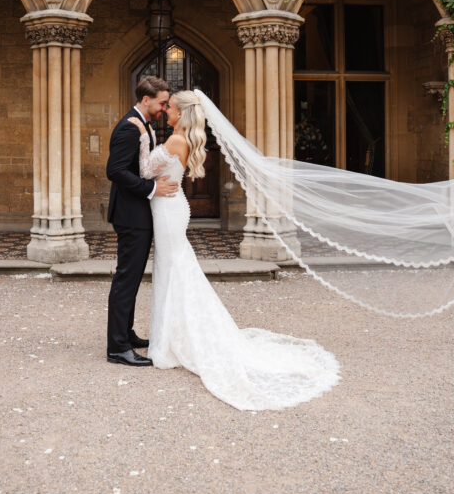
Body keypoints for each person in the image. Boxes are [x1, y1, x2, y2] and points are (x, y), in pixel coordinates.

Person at [127, 90, 341, 411]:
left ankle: (170, 344)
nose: (165, 111)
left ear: (182, 113)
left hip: (168, 211)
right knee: (173, 271)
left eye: (169, 107)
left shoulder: (174, 141)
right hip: (170, 208)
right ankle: (168, 339)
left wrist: (142, 136)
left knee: (174, 272)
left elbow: (144, 171)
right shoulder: (177, 139)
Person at [106, 75, 178, 367]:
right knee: (126, 278)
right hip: (130, 215)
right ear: (146, 100)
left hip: (139, 213)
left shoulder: (144, 124)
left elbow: (139, 166)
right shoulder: (128, 128)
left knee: (133, 278)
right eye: (162, 103)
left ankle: (126, 333)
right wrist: (151, 189)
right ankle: (117, 348)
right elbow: (115, 171)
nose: (164, 108)